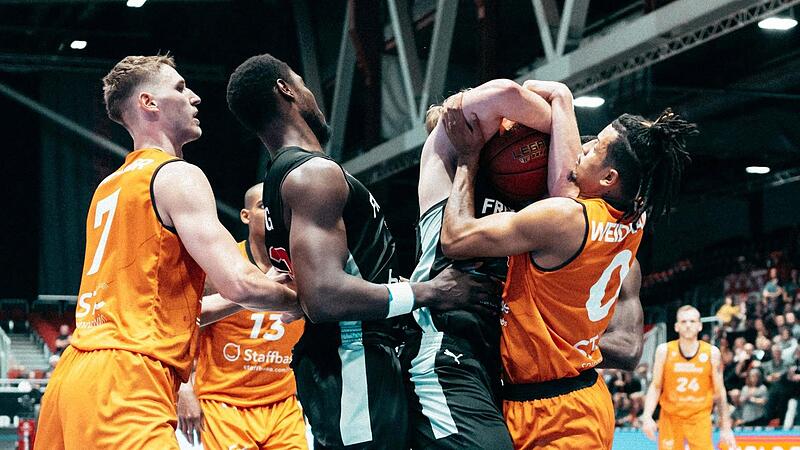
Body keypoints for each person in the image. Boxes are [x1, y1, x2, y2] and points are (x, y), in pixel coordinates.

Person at [226, 53, 498, 450]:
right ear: (286, 90)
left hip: (346, 362)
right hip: (351, 361)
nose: (311, 94)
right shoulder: (312, 175)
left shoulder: (282, 180)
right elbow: (324, 297)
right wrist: (429, 291)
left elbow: (310, 289)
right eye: (302, 82)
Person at [36, 55, 299, 450]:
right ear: (148, 103)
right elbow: (241, 282)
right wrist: (307, 300)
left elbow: (162, 310)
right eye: (179, 88)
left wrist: (250, 294)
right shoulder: (177, 175)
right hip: (127, 380)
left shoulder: (107, 188)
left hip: (74, 377)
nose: (194, 97)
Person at [437, 81, 692, 449]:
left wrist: (468, 158)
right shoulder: (636, 215)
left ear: (609, 179)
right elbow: (571, 185)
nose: (582, 150)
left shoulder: (566, 220)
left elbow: (455, 238)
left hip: (559, 414)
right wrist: (561, 100)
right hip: (567, 397)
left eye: (594, 149)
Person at [177, 183, 307, 449]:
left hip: (282, 403)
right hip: (225, 402)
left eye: (278, 209)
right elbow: (187, 323)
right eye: (263, 207)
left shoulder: (304, 265)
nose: (272, 216)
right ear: (246, 216)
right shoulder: (224, 264)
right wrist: (184, 387)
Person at [641, 306, 736, 449]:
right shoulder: (664, 351)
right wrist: (647, 416)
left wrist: (726, 428)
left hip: (699, 419)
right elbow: (655, 386)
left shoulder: (712, 353)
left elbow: (720, 393)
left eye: (692, 321)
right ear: (676, 326)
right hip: (671, 419)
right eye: (683, 321)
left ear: (699, 325)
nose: (688, 325)